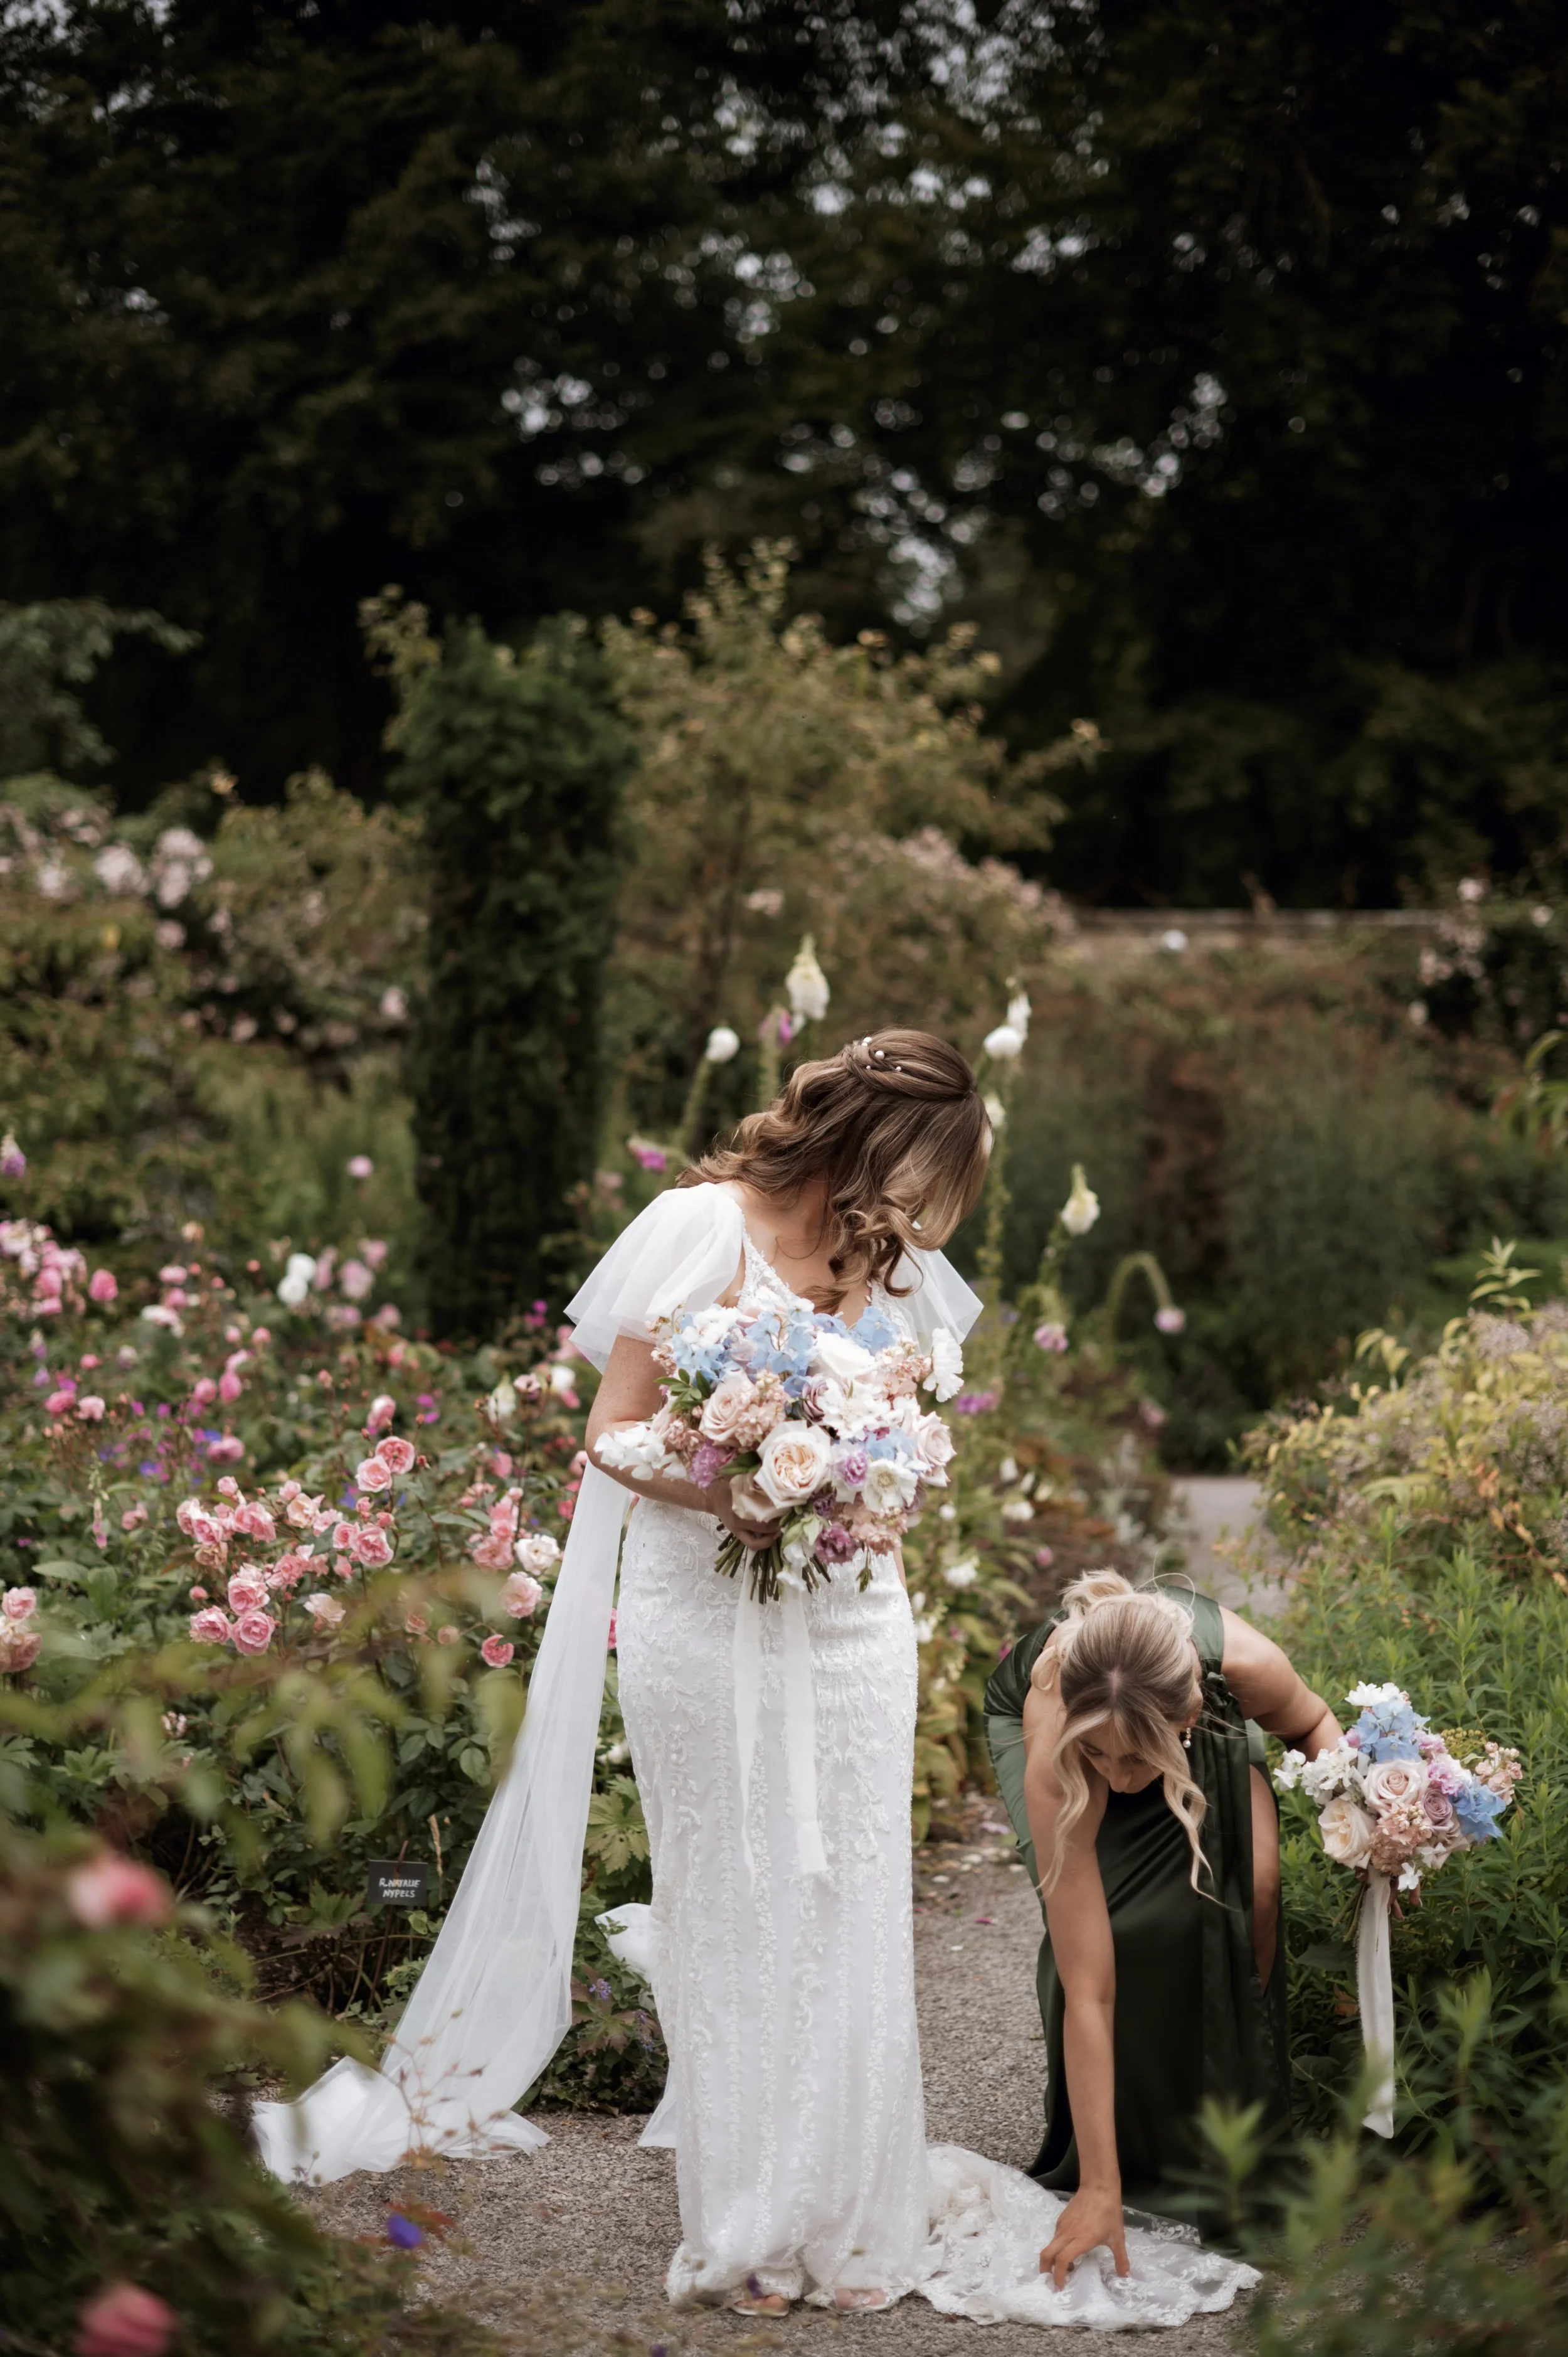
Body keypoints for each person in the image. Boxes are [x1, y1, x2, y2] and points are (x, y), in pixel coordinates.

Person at [584, 1030, 987, 2311]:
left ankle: (849, 2209)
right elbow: (608, 1435)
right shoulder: (694, 1228)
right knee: (730, 1892)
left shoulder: (905, 1274)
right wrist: (728, 1486)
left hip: (856, 1623)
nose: (928, 1211)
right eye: (923, 1175)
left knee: (849, 1895)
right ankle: (749, 2219)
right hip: (697, 1615)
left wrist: (862, 1486)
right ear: (871, 1143)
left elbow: (914, 1465)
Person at [984, 1570, 1342, 2279]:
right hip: (1066, 1736)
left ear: (1191, 1716)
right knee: (1117, 1934)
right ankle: (1113, 2150)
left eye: (1133, 1760)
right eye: (1105, 1759)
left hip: (1171, 1724)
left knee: (1256, 1891)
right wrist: (1096, 2190)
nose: (1118, 1781)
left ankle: (1236, 2096)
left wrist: (1373, 1828)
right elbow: (1090, 1988)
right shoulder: (1058, 1733)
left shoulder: (1242, 1669)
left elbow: (1311, 1723)